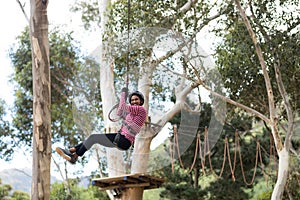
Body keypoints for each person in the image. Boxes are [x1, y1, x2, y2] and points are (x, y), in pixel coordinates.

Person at [55, 88, 147, 164]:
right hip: (120, 138)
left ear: (141, 101)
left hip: (124, 140)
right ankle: (73, 153)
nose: (134, 101)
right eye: (132, 100)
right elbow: (119, 112)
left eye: (136, 99)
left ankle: (73, 153)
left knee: (94, 138)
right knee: (93, 138)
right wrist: (124, 98)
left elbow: (122, 107)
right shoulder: (130, 114)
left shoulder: (141, 110)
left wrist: (123, 94)